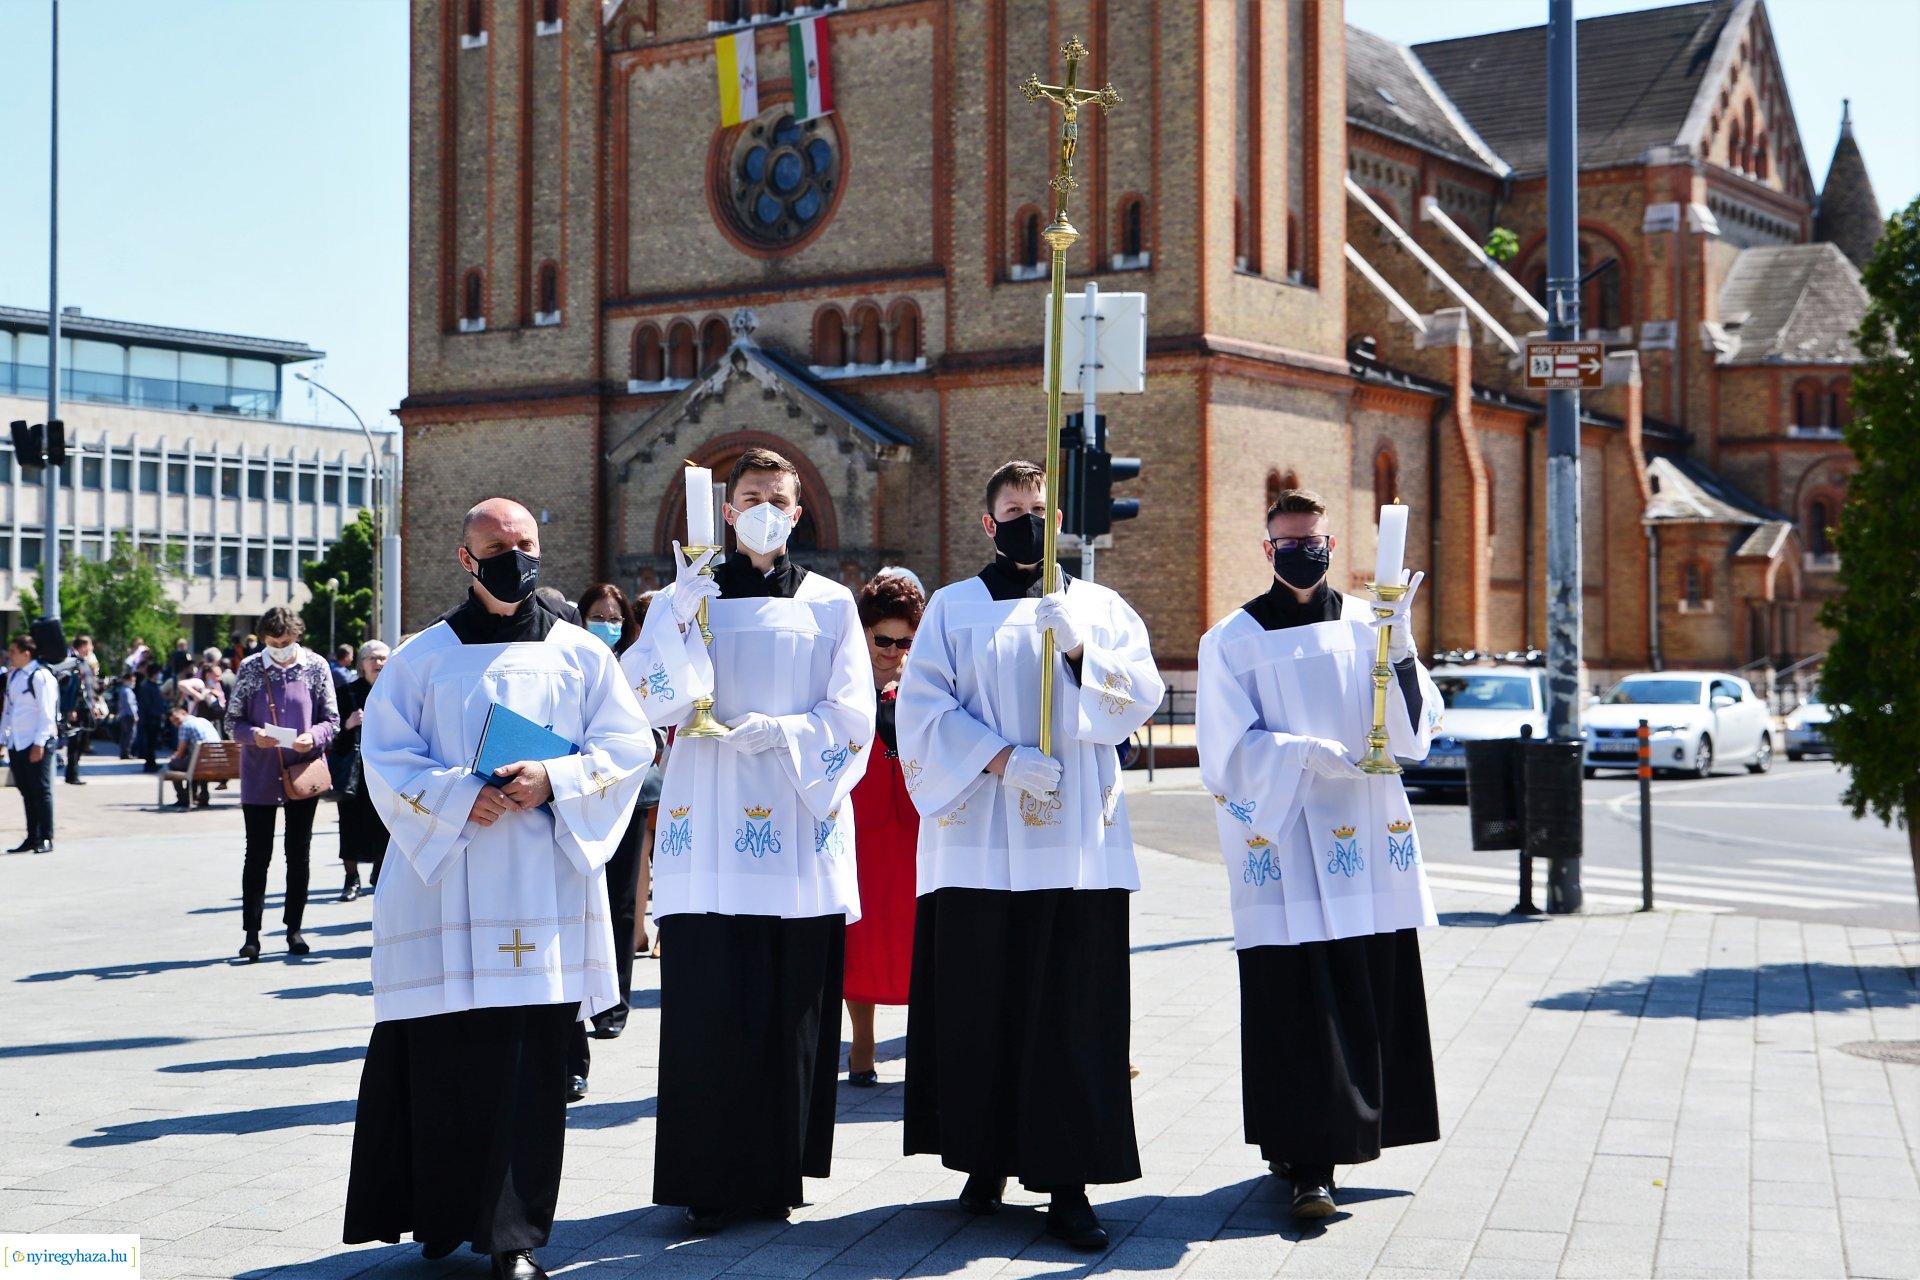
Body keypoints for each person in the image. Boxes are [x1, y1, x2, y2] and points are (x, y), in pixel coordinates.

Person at [342, 498, 654, 1280]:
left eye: (526, 544)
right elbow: (383, 759)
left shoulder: (583, 655)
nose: (515, 556)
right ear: (466, 557)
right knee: (443, 1058)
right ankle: (442, 1218)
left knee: (526, 1069)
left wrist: (556, 776)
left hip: (538, 889)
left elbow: (629, 746)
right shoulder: (420, 657)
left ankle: (513, 1239)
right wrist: (455, 796)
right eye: (497, 545)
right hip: (443, 883)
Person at [896, 459, 1164, 1251]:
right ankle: (985, 1156)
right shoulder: (952, 607)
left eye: (1041, 510)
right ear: (988, 523)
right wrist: (999, 758)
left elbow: (1139, 698)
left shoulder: (1099, 605)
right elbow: (921, 709)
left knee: (1071, 1013)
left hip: (1074, 844)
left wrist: (1083, 652)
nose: (1029, 522)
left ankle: (1070, 1179)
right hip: (980, 836)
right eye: (1014, 510)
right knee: (984, 1005)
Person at [623, 447, 875, 1233]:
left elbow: (855, 714)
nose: (766, 506)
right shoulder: (685, 597)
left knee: (790, 1005)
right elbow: (638, 695)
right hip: (706, 828)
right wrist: (671, 621)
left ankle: (775, 1174)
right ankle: (705, 1176)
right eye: (752, 495)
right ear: (727, 513)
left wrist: (790, 733)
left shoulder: (832, 603)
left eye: (779, 496)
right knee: (709, 1007)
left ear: (798, 513)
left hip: (796, 822)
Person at [1196, 487, 1442, 1219]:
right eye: (1289, 542)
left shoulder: (1372, 621)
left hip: (1364, 838)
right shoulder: (1230, 640)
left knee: (1365, 987)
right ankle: (1306, 1160)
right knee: (1299, 1000)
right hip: (1290, 839)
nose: (1304, 552)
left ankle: (1359, 1133)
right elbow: (1222, 754)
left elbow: (1414, 733)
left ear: (1333, 547)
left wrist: (1399, 652)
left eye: (1316, 541)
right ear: (1267, 549)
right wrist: (1301, 754)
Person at [843, 570, 926, 1086]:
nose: (893, 651)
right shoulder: (843, 681)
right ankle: (863, 1048)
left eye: (905, 642)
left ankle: (924, 1044)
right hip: (859, 825)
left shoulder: (924, 682)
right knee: (861, 936)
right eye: (883, 640)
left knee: (918, 934)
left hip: (916, 827)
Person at [226, 607, 340, 963]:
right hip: (260, 774)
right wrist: (252, 734)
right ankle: (252, 934)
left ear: (297, 637)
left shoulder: (316, 667)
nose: (280, 648)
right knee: (257, 855)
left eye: (286, 642)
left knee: (298, 853)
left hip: (302, 772)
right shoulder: (249, 668)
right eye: (273, 643)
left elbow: (332, 720)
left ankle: (294, 929)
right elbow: (232, 721)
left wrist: (313, 736)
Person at [331, 641, 392, 903]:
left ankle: (379, 873)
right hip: (354, 774)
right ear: (361, 663)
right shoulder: (347, 692)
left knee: (386, 824)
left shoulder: (395, 691)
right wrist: (348, 724)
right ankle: (351, 878)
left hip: (386, 771)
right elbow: (331, 732)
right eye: (372, 658)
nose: (378, 663)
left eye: (383, 658)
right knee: (350, 824)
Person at [4, 634, 61, 854]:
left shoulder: (41, 676)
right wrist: (3, 739)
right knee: (26, 790)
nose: (10, 656)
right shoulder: (14, 676)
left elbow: (47, 713)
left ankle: (45, 837)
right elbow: (9, 710)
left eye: (13, 651)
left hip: (37, 741)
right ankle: (32, 836)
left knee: (41, 790)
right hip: (17, 742)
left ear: (26, 653)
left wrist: (39, 743)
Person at [60, 635, 98, 786]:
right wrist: (71, 709)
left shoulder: (84, 662)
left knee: (82, 741)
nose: (92, 648)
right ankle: (71, 774)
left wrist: (93, 705)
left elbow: (88, 687)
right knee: (75, 742)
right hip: (77, 708)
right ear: (82, 646)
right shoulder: (72, 663)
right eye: (90, 645)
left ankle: (74, 772)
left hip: (85, 706)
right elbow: (70, 689)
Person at [166, 705, 221, 809]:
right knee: (197, 763)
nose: (176, 724)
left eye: (177, 719)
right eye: (173, 722)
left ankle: (183, 798)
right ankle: (202, 796)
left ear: (184, 713)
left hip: (200, 761)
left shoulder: (185, 725)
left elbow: (180, 752)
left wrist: (174, 757)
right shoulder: (203, 721)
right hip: (217, 760)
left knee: (174, 764)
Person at [135, 663, 169, 772]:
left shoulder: (154, 686)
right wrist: (159, 714)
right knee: (150, 743)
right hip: (150, 720)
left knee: (153, 743)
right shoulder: (146, 686)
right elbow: (147, 705)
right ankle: (149, 764)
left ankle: (152, 762)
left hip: (155, 719)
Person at [113, 673, 138, 758]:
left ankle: (124, 752)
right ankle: (126, 753)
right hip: (128, 715)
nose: (133, 682)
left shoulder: (123, 690)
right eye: (132, 680)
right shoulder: (127, 691)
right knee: (129, 734)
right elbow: (129, 704)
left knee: (125, 734)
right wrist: (134, 715)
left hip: (124, 715)